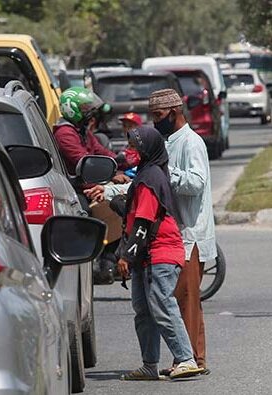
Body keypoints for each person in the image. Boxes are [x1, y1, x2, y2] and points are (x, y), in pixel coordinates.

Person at [84, 88, 216, 375]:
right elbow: (139, 187)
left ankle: (193, 360)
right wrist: (108, 191)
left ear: (175, 111)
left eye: (159, 116)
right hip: (167, 233)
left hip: (188, 233)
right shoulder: (165, 145)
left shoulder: (191, 143)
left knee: (184, 299)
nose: (156, 122)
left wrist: (166, 172)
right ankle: (173, 360)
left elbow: (195, 183)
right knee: (165, 301)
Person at [115, 125, 203, 380]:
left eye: (134, 146)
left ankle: (186, 358)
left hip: (161, 252)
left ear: (146, 149)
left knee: (162, 304)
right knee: (143, 310)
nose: (129, 151)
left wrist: (126, 256)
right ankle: (149, 364)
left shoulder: (151, 177)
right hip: (148, 255)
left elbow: (144, 222)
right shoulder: (146, 173)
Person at [53, 86, 129, 178]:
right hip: (77, 182)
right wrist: (111, 175)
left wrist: (122, 161)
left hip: (89, 177)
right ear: (71, 109)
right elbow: (84, 161)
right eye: (85, 108)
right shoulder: (65, 133)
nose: (90, 112)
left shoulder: (81, 130)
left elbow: (100, 150)